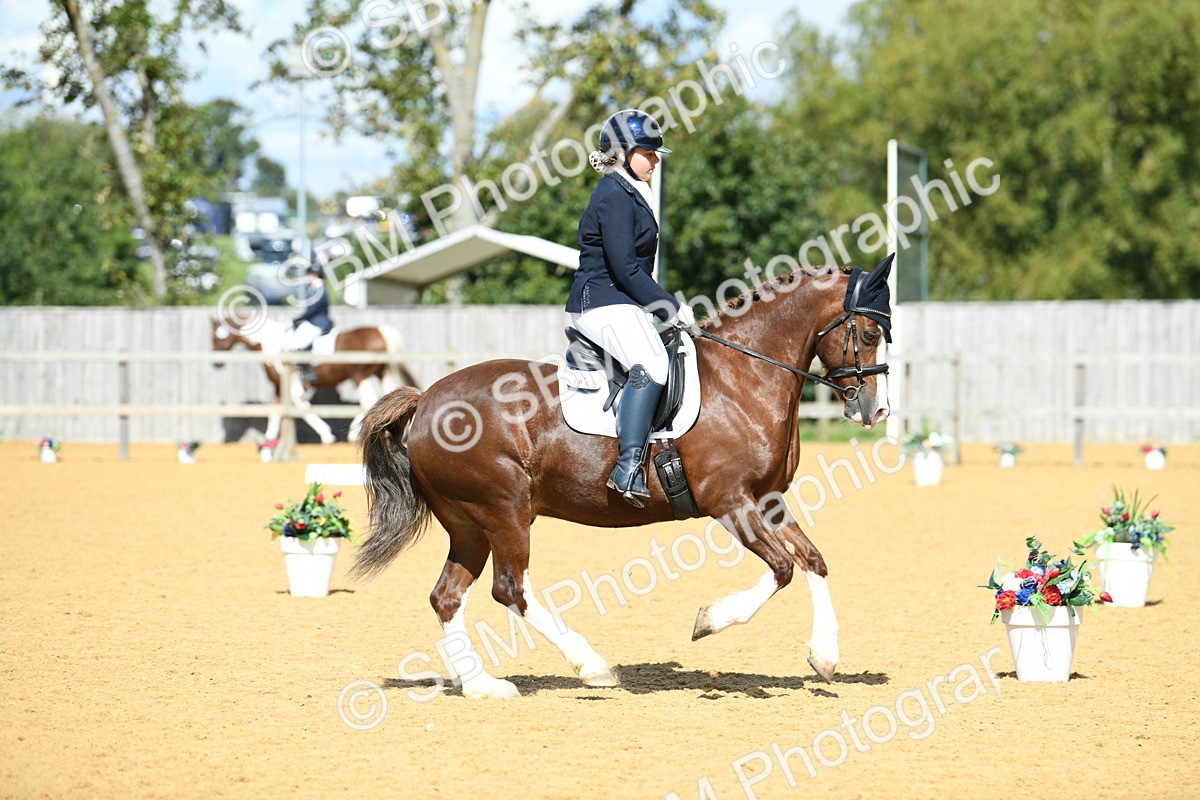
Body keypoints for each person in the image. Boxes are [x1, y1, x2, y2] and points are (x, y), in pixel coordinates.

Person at [565, 109, 696, 508]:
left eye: (656, 154)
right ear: (622, 153)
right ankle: (628, 467)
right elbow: (624, 268)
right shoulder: (613, 195)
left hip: (620, 302)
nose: (655, 160)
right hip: (600, 301)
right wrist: (669, 306)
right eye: (648, 153)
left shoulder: (629, 191)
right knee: (652, 363)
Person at [287, 262, 334, 389]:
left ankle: (309, 372)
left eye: (309, 275)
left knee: (297, 345)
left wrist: (296, 320)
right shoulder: (314, 289)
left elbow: (312, 310)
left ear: (314, 275)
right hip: (313, 321)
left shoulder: (319, 290)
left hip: (318, 323)